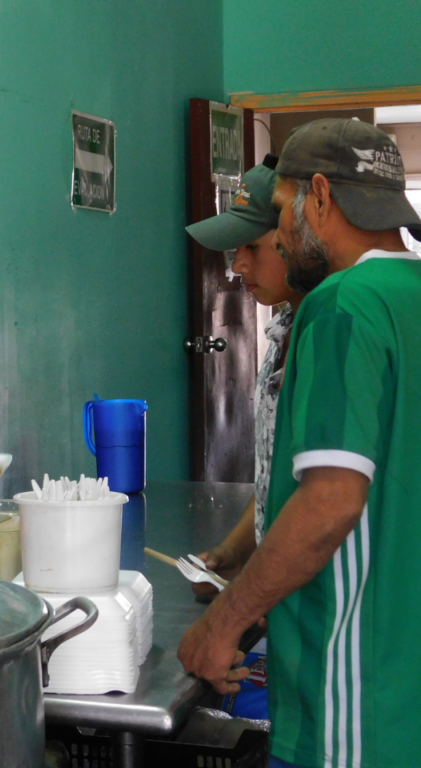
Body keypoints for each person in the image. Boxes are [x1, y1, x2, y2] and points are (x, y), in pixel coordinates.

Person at [178, 118, 421, 768]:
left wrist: (225, 620)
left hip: (351, 696)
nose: (281, 235)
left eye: (283, 211)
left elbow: (331, 502)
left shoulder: (344, 305)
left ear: (319, 197)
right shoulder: (411, 296)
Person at [185, 158, 305, 592]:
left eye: (251, 247)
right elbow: (280, 478)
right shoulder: (282, 332)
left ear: (298, 234)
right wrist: (234, 553)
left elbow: (326, 497)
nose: (237, 265)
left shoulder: (331, 338)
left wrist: (244, 605)